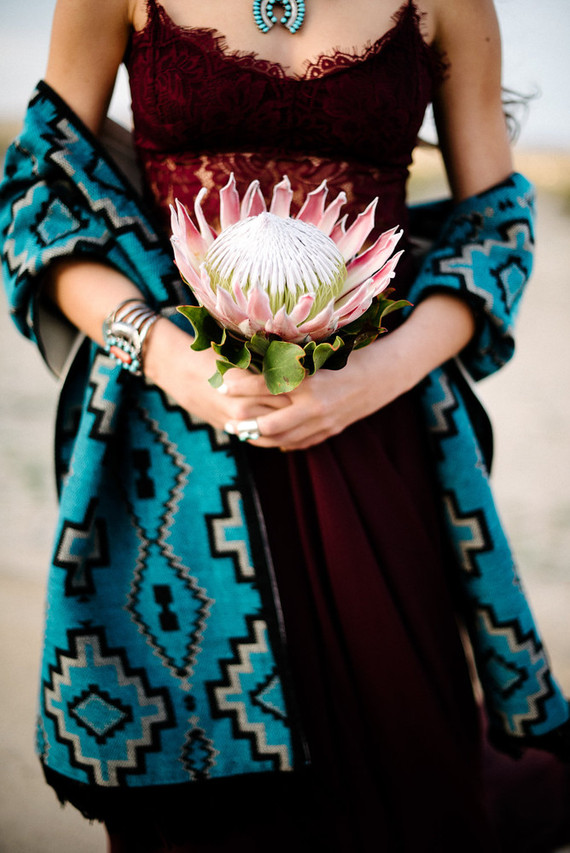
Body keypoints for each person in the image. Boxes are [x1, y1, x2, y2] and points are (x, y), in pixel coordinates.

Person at [1, 0, 570, 850]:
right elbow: (38, 200)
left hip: (382, 434)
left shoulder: (452, 5)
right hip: (170, 457)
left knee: (405, 767)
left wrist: (376, 373)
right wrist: (165, 356)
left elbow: (499, 227)